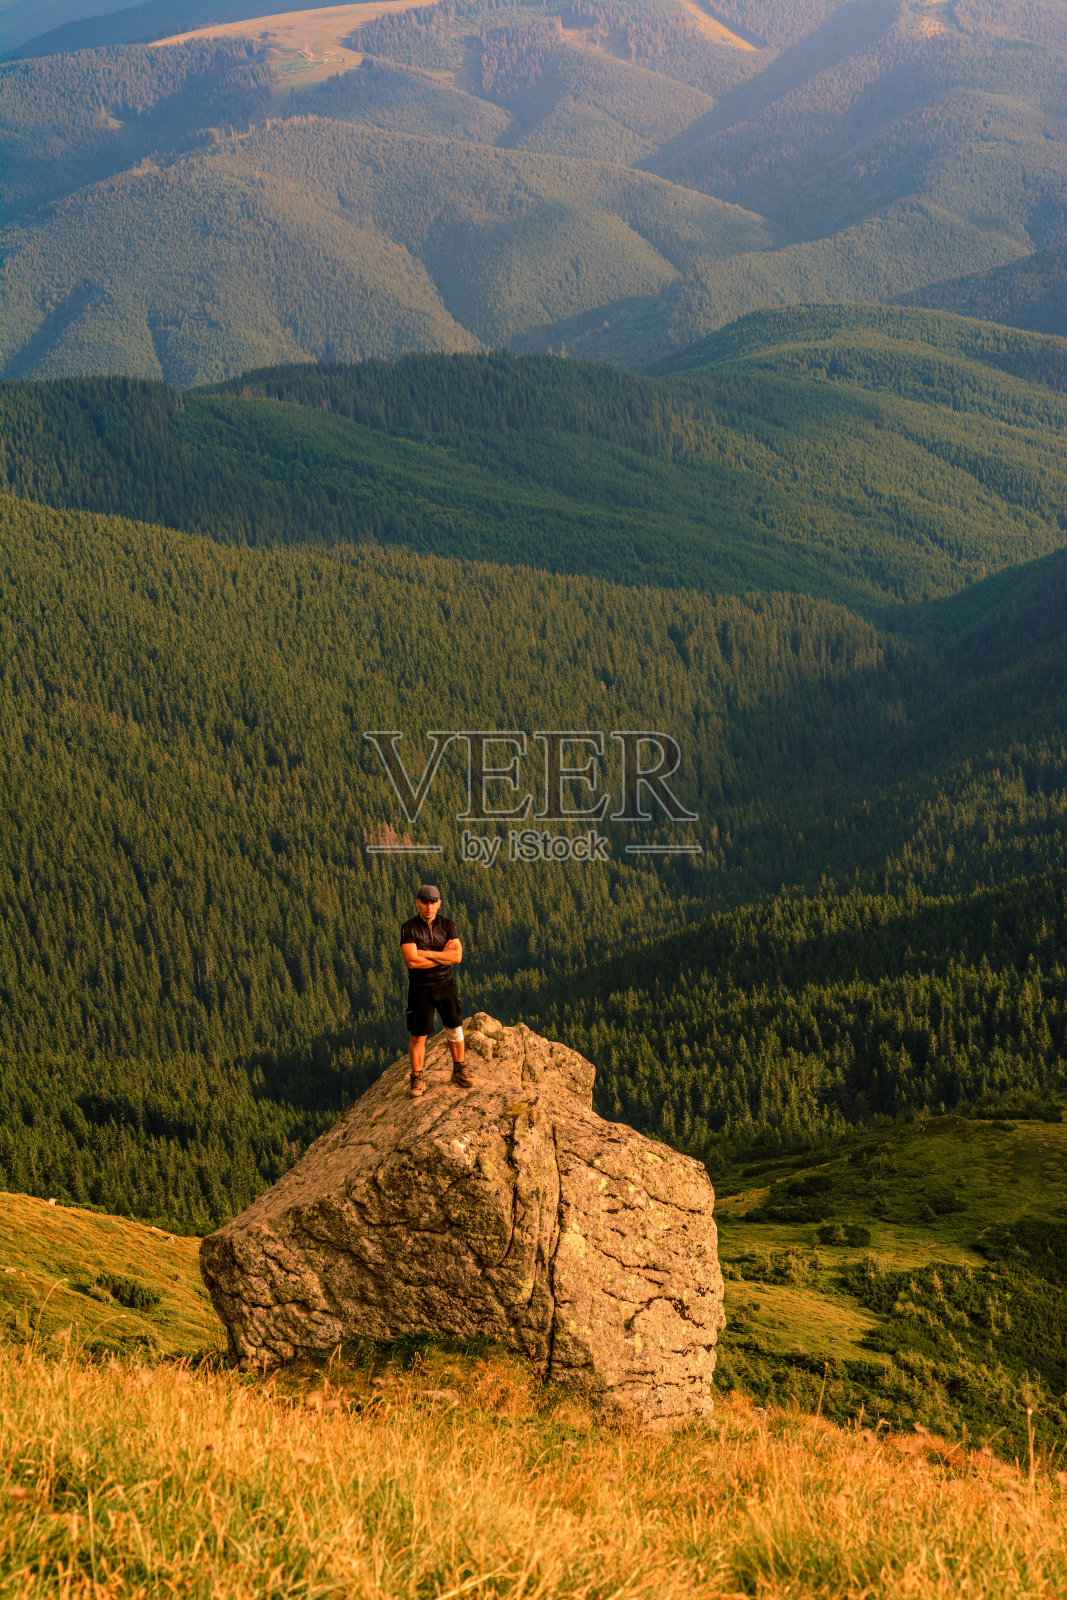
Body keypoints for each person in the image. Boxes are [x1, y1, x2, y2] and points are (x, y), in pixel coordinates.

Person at [400, 885, 475, 1097]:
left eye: (433, 902)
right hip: (420, 989)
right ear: (417, 903)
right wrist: (442, 955)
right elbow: (412, 962)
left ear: (439, 903)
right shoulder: (409, 927)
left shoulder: (448, 925)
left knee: (455, 1028)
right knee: (418, 1035)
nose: (429, 906)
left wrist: (425, 953)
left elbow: (457, 957)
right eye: (425, 902)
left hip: (445, 986)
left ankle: (459, 1069)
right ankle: (417, 1078)